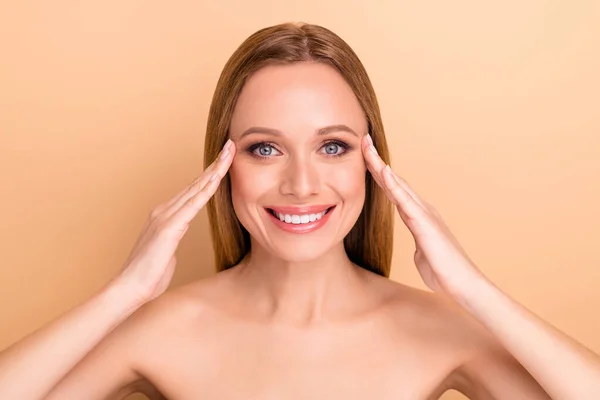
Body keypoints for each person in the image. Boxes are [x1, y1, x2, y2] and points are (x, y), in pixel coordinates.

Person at [0, 22, 598, 400]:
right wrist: (123, 293)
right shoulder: (157, 330)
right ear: (222, 164)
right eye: (265, 148)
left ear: (372, 161)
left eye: (332, 146)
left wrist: (471, 289)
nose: (302, 184)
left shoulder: (444, 330)